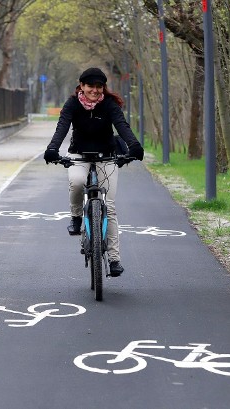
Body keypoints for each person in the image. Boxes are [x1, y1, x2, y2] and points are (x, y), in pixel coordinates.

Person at [43, 67, 144, 277]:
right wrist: (52, 149)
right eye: (91, 86)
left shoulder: (109, 104)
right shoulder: (72, 104)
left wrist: (134, 145)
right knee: (78, 182)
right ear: (81, 86)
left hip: (106, 155)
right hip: (79, 154)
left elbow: (122, 126)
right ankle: (76, 216)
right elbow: (62, 127)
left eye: (99, 87)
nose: (95, 90)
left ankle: (115, 259)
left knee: (111, 207)